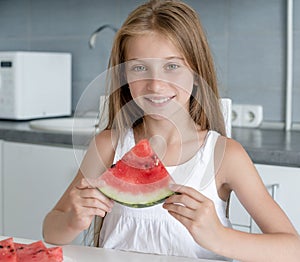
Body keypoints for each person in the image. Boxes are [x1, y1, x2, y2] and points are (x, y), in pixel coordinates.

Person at [43, 0, 300, 261]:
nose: (155, 85)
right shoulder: (108, 145)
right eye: (139, 67)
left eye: (172, 66)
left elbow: (292, 249)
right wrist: (73, 221)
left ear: (197, 71)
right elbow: (51, 230)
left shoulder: (224, 154)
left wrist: (219, 237)